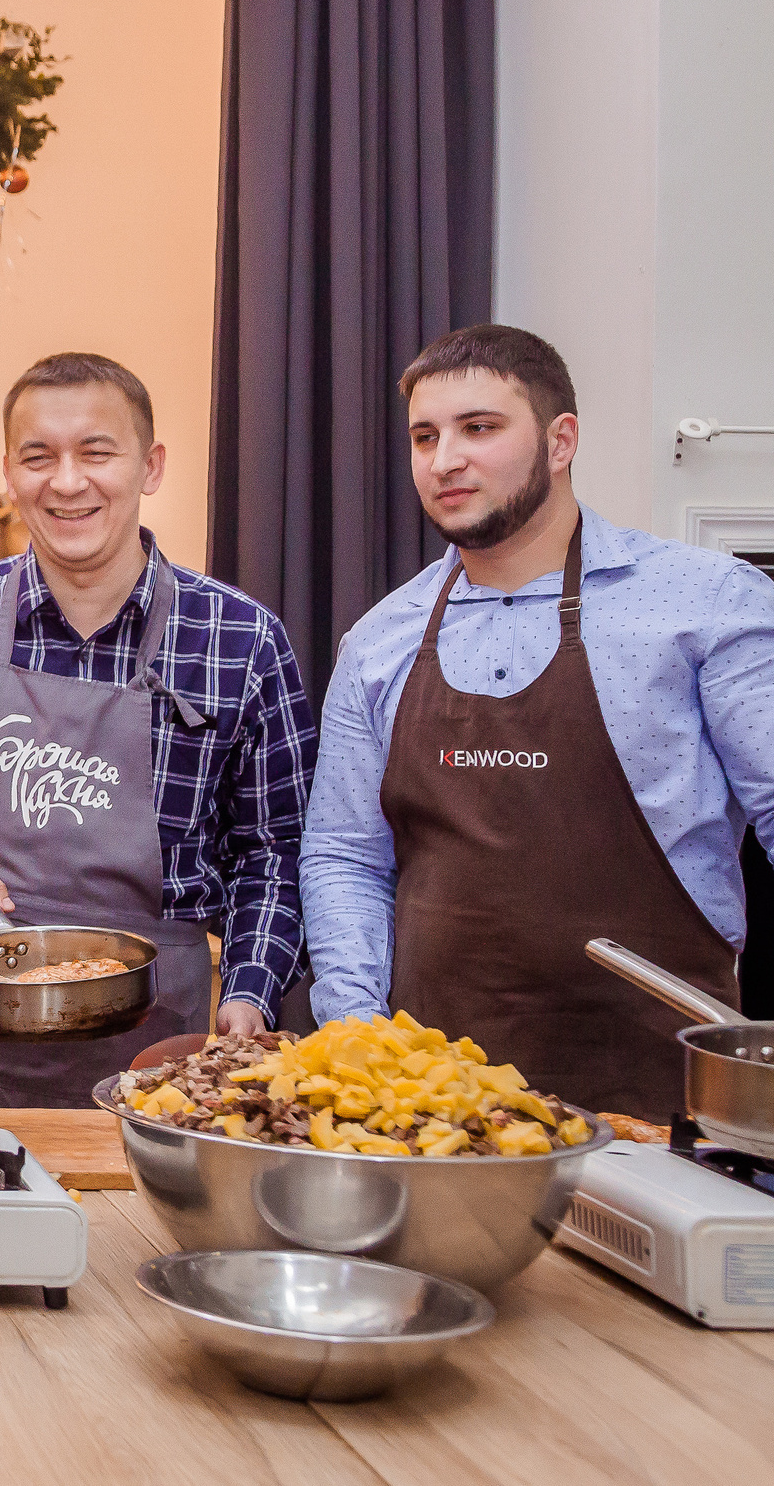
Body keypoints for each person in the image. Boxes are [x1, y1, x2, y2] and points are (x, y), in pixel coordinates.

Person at [302, 325, 774, 1120]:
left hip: (666, 1099)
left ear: (561, 442)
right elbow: (344, 854)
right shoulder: (380, 638)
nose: (444, 458)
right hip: (439, 1110)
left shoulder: (707, 603)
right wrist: (357, 1032)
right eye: (425, 435)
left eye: (479, 428)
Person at [0, 352, 317, 1108]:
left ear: (150, 466)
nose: (66, 481)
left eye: (96, 452)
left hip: (152, 1056)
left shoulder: (239, 639)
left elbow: (275, 852)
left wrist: (249, 993)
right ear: (9, 473)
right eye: (38, 457)